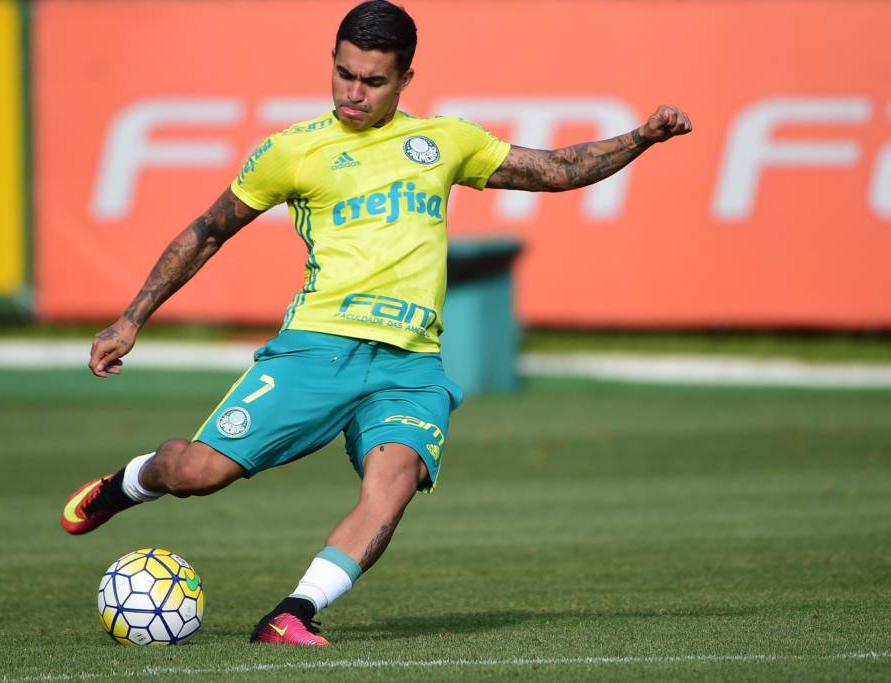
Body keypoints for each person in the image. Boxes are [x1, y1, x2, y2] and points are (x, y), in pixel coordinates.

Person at [60, 0, 691, 646]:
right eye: (344, 74)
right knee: (198, 474)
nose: (353, 93)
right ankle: (132, 481)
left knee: (394, 483)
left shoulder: (446, 142)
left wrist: (640, 137)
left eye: (372, 80)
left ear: (405, 79)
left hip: (410, 365)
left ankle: (293, 612)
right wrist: (130, 319)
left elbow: (556, 171)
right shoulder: (293, 151)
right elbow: (207, 231)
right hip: (319, 349)